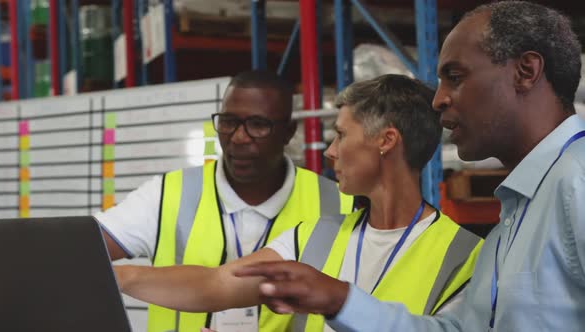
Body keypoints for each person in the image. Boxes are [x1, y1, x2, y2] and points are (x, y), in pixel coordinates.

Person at [235, 2, 585, 331]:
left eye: (456, 76)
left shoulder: (576, 182)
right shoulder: (514, 219)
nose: (439, 98)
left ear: (526, 71)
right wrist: (340, 301)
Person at [114, 74, 483, 332]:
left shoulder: (466, 259)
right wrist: (117, 275)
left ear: (385, 140)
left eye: (340, 135)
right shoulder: (313, 237)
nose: (330, 151)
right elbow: (216, 283)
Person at [95, 70, 354, 332]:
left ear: (288, 132)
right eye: (229, 122)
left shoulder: (338, 205)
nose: (239, 137)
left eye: (257, 125)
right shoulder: (167, 194)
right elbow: (81, 248)